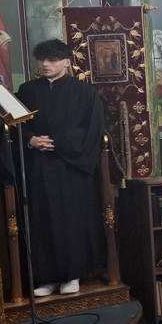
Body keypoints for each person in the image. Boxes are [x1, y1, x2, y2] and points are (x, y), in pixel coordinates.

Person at [17, 39, 106, 296]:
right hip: (38, 167)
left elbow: (92, 130)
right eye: (42, 59)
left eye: (52, 59)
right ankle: (46, 279)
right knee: (41, 220)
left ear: (67, 61)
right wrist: (31, 140)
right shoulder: (26, 90)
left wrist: (58, 143)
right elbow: (14, 125)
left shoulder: (84, 92)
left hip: (71, 168)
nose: (45, 64)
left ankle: (72, 275)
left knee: (71, 221)